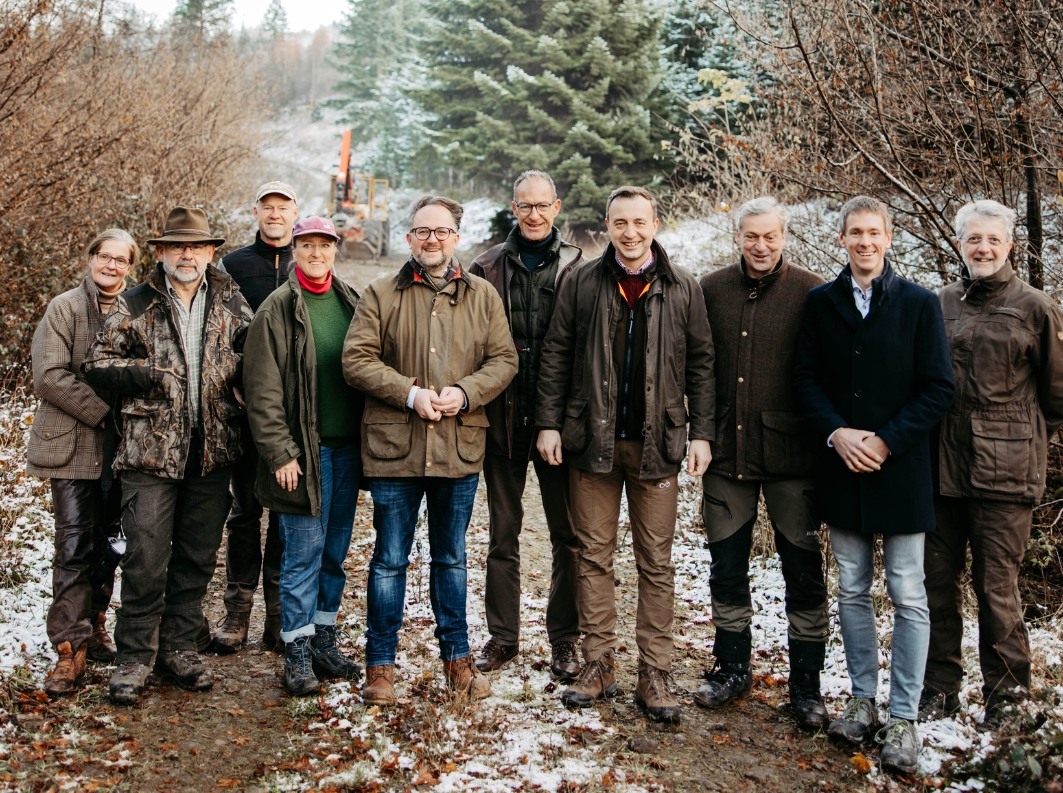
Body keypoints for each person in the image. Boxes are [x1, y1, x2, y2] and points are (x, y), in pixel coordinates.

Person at [536, 186, 715, 725]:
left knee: (655, 562)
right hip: (591, 443)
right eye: (620, 223)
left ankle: (654, 672)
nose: (630, 232)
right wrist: (548, 423)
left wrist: (701, 432)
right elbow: (556, 352)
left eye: (640, 222)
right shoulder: (582, 281)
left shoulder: (682, 286)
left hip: (658, 444)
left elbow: (703, 362)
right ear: (607, 225)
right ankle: (598, 664)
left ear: (655, 223)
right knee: (592, 554)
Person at [793, 195, 954, 774]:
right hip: (842, 468)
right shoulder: (821, 303)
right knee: (852, 587)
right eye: (855, 232)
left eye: (874, 233)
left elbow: (938, 388)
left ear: (889, 238)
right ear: (842, 239)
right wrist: (837, 434)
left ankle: (904, 717)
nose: (864, 242)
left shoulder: (918, 304)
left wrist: (886, 440)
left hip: (901, 471)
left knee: (909, 594)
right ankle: (862, 699)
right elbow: (805, 380)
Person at [342, 195, 518, 705]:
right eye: (423, 231)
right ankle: (380, 667)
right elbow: (356, 360)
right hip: (394, 450)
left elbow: (504, 360)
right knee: (389, 560)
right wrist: (410, 393)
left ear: (456, 239)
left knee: (451, 559)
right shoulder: (379, 293)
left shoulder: (483, 296)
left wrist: (465, 393)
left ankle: (458, 662)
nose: (433, 239)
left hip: (458, 449)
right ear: (409, 238)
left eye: (442, 232)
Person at [83, 206, 253, 706]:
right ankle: (135, 658)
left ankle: (179, 648)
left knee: (197, 558)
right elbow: (96, 363)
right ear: (159, 252)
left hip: (213, 452)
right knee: (145, 560)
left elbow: (253, 360)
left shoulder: (231, 301)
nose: (186, 254)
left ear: (209, 252)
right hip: (149, 455)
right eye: (177, 246)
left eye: (196, 246)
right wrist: (150, 374)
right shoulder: (135, 303)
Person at [922, 200, 1063, 728]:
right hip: (940, 470)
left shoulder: (1036, 307)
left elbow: (1057, 396)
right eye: (973, 240)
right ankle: (939, 689)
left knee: (995, 586)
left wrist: (1016, 438)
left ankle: (1007, 698)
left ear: (1010, 246)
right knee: (936, 582)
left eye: (993, 240)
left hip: (1005, 476)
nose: (983, 249)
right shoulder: (939, 304)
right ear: (960, 245)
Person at [695, 197, 830, 728]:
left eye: (770, 236)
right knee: (726, 565)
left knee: (803, 569)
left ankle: (807, 685)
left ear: (784, 237)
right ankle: (731, 667)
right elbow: (698, 368)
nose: (760, 245)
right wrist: (700, 432)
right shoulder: (710, 289)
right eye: (751, 236)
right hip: (727, 454)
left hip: (793, 456)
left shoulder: (813, 290)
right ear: (738, 237)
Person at [468, 170, 584, 680]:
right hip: (502, 422)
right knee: (502, 535)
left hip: (563, 426)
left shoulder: (582, 266)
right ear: (512, 208)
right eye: (524, 205)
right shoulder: (485, 265)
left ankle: (564, 640)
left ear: (557, 207)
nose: (534, 214)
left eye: (542, 205)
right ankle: (503, 636)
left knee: (569, 536)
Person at [244, 215, 366, 696]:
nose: (317, 254)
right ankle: (295, 652)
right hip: (302, 457)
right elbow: (262, 390)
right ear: (294, 249)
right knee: (301, 557)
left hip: (347, 452)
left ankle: (323, 640)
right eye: (307, 245)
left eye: (325, 245)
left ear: (336, 249)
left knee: (334, 554)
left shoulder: (349, 300)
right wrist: (280, 453)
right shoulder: (277, 309)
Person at [29, 229, 135, 696]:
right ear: (90, 258)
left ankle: (94, 623)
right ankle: (68, 651)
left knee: (110, 545)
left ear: (131, 267)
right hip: (73, 445)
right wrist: (103, 412)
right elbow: (49, 376)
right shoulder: (65, 307)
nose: (111, 266)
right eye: (104, 257)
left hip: (122, 451)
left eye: (121, 260)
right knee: (73, 546)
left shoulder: (136, 311)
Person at [212, 181, 299, 654]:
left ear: (295, 213)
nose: (275, 215)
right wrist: (234, 384)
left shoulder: (307, 260)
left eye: (283, 208)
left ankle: (280, 617)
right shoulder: (233, 266)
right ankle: (237, 612)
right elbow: (219, 333)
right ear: (256, 212)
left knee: (286, 513)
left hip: (293, 414)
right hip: (245, 412)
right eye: (268, 208)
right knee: (245, 513)